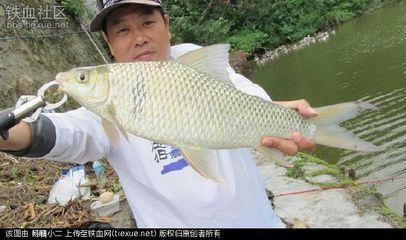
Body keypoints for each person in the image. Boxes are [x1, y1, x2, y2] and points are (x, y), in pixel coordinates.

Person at [0, 0, 317, 227]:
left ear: (167, 25)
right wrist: (8, 133)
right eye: (122, 30)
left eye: (148, 23)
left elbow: (245, 93)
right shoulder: (105, 106)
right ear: (109, 43)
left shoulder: (195, 61)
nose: (139, 38)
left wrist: (277, 115)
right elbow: (63, 133)